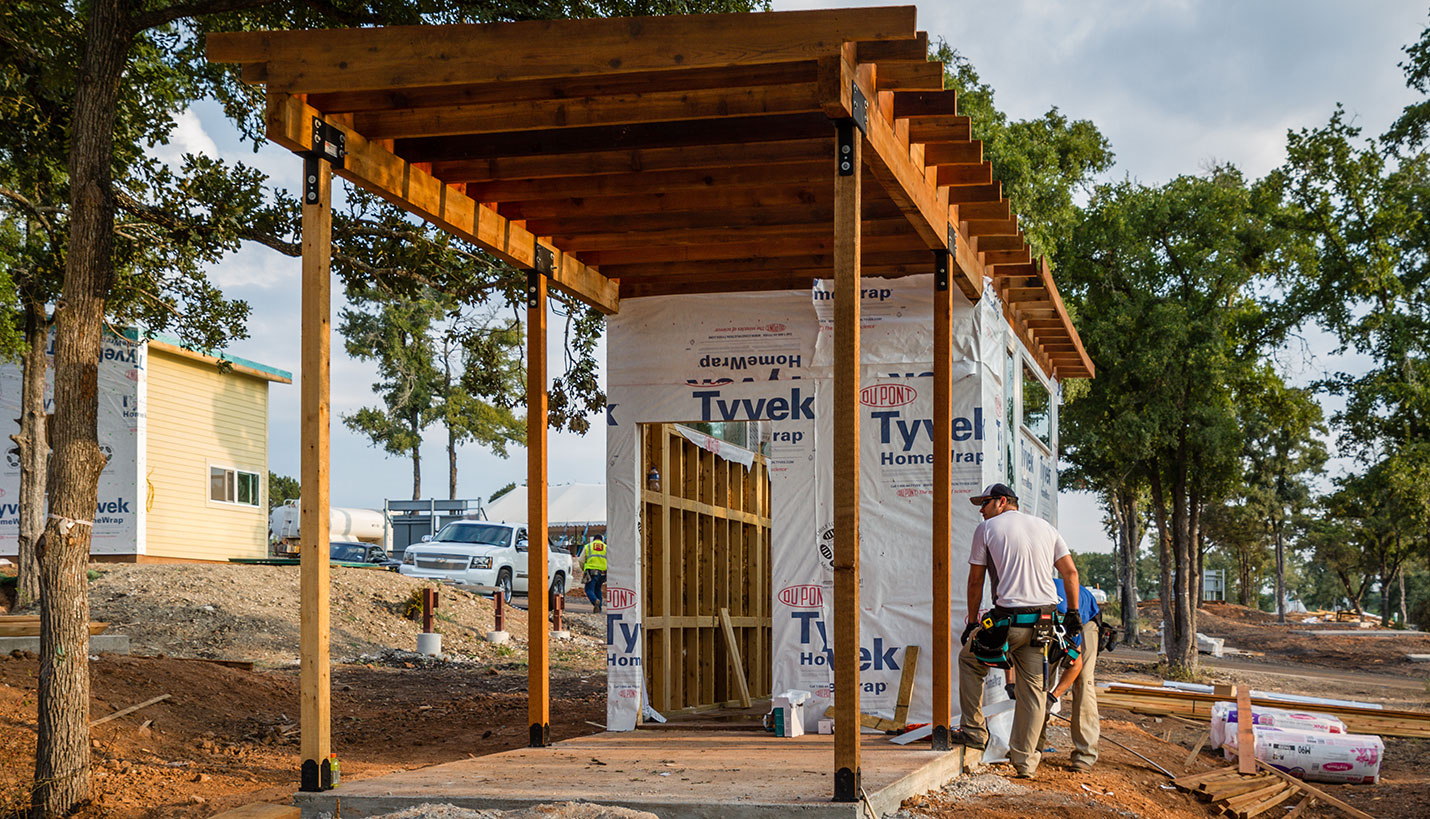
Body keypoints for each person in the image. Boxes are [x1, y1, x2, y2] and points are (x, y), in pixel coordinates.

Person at [954, 483, 1080, 779]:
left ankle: (974, 733)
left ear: (1001, 501)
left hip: (1007, 621)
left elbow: (976, 581)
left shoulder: (986, 529)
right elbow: (1071, 572)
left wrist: (973, 622)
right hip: (1044, 622)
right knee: (1034, 691)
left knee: (970, 660)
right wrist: (1073, 613)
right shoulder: (1046, 527)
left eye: (984, 504)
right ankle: (1025, 763)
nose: (981, 511)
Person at [1037, 578, 1102, 772]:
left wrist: (1053, 696)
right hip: (1051, 621)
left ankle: (1085, 754)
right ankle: (1032, 748)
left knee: (1083, 680)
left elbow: (1075, 664)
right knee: (1039, 679)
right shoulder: (1024, 605)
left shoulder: (1065, 615)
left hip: (1082, 620)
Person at [576, 536, 608, 612]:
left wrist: (584, 569)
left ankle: (595, 600)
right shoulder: (606, 547)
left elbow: (581, 560)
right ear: (601, 540)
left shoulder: (588, 546)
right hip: (602, 573)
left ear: (594, 540)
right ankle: (598, 609)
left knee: (588, 589)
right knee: (598, 590)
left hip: (591, 572)